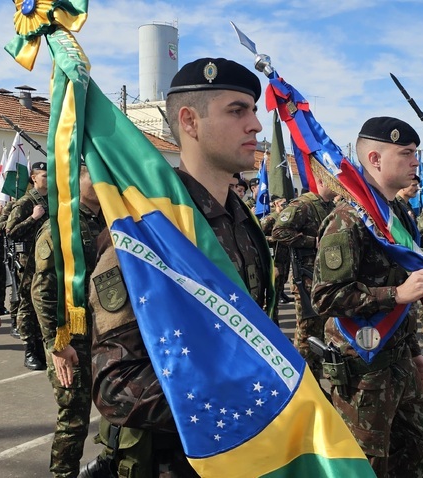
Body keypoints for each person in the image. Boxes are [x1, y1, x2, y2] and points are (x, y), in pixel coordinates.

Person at [87, 57, 273, 477]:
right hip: (176, 463)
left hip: (247, 450)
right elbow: (116, 387)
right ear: (189, 121)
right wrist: (245, 396)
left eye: (254, 110)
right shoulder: (146, 234)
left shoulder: (245, 224)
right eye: (237, 110)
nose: (256, 125)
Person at [312, 116, 423, 476]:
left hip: (398, 356)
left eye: (415, 153)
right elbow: (326, 296)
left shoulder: (397, 212)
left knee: (416, 456)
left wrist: (414, 351)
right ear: (374, 159)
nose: (416, 161)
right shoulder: (347, 219)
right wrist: (396, 294)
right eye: (406, 153)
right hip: (363, 366)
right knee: (365, 466)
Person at [32, 165, 105, 478]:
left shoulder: (111, 219)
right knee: (74, 419)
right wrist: (56, 345)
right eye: (97, 174)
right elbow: (42, 290)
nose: (105, 181)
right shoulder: (62, 225)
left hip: (109, 336)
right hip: (72, 338)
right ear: (79, 178)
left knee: (119, 410)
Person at [271, 176, 336, 379]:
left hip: (325, 276)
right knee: (308, 331)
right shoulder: (303, 205)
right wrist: (313, 241)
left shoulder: (329, 206)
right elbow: (279, 231)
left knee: (323, 329)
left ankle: (315, 376)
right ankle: (303, 379)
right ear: (323, 181)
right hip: (306, 278)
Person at [5, 162, 50, 370]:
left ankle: (43, 347)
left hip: (49, 260)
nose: (48, 180)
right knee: (28, 305)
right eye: (44, 176)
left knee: (46, 302)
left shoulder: (53, 200)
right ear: (33, 178)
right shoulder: (25, 202)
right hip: (28, 262)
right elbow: (10, 231)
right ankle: (30, 349)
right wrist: (33, 218)